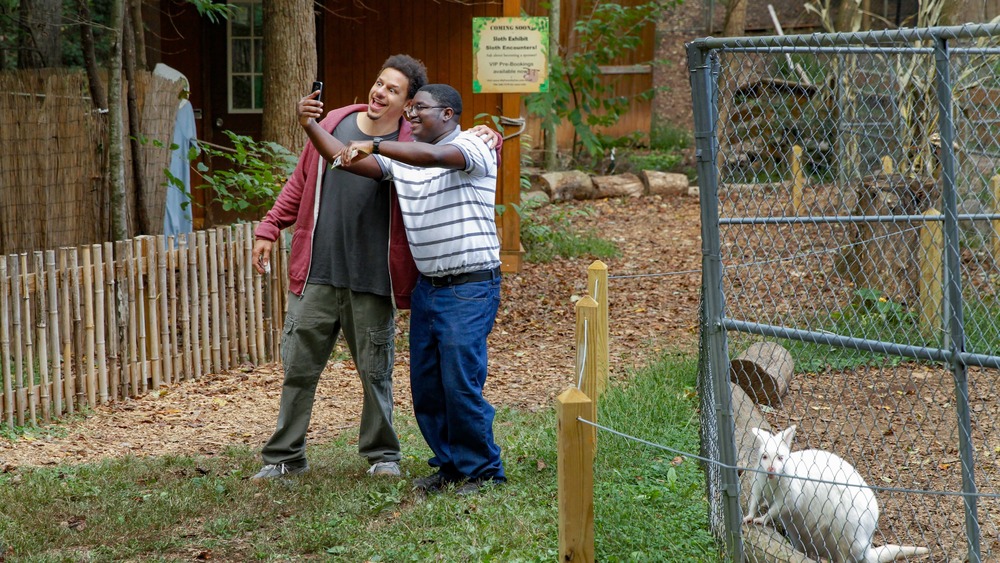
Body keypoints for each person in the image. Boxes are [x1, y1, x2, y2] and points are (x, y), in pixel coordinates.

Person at [298, 83, 506, 495]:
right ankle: (450, 466)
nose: (410, 115)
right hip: (430, 288)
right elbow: (343, 159)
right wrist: (309, 124)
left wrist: (374, 143)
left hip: (469, 286)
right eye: (408, 110)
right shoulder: (406, 161)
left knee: (460, 381)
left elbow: (433, 156)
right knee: (427, 385)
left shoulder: (472, 146)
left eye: (420, 109)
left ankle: (483, 471)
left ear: (447, 114)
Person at [249, 55, 428, 480]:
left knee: (375, 372)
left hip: (372, 277)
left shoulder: (406, 143)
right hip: (318, 271)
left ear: (407, 104)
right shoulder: (334, 122)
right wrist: (271, 225)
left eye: (393, 89)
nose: (380, 92)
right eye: (379, 83)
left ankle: (383, 456)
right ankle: (285, 457)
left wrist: (487, 133)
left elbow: (445, 147)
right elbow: (301, 181)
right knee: (298, 368)